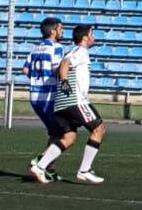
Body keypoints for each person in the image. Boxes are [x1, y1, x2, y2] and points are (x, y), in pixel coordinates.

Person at [29, 25, 105, 185]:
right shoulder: (80, 51)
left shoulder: (73, 51)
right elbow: (65, 63)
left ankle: (40, 167)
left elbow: (62, 66)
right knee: (98, 129)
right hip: (74, 100)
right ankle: (84, 170)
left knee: (69, 137)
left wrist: (64, 79)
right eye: (92, 34)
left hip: (61, 103)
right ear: (85, 38)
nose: (94, 37)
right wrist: (64, 81)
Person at [25, 17, 67, 181]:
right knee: (66, 134)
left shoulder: (35, 48)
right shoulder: (57, 47)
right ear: (53, 31)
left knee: (56, 133)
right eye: (61, 28)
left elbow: (26, 70)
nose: (63, 31)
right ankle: (39, 162)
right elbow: (58, 69)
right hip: (49, 96)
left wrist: (39, 79)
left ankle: (49, 169)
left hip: (35, 96)